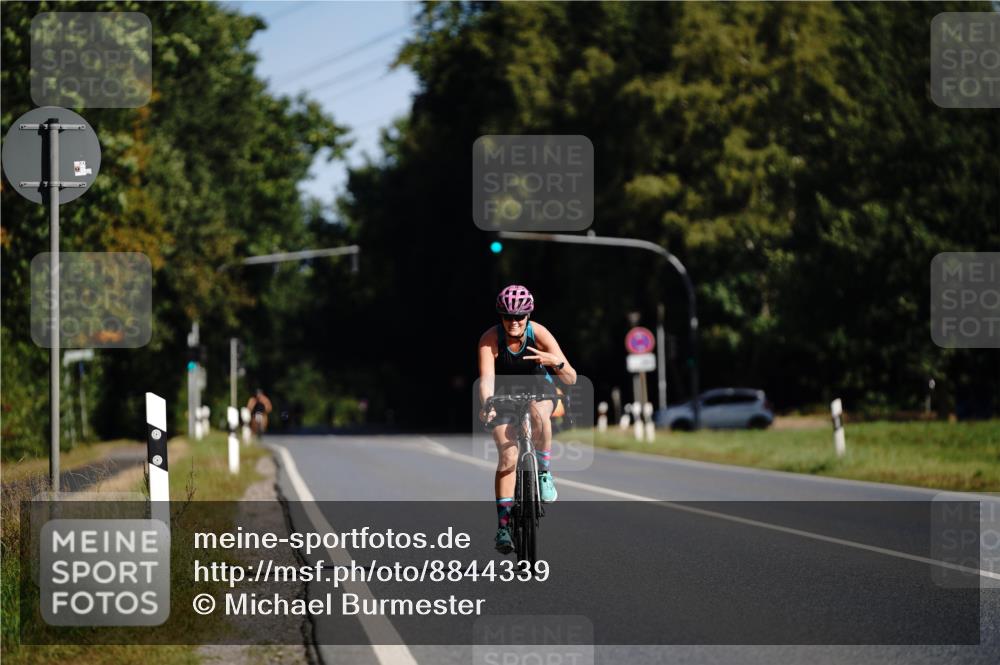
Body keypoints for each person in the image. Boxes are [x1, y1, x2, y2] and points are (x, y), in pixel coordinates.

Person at [478, 285, 577, 553]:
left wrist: (554, 362)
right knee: (508, 457)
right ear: (501, 316)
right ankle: (503, 526)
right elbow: (486, 381)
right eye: (508, 317)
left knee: (538, 412)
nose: (514, 322)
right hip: (504, 397)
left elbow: (571, 378)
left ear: (528, 316)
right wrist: (488, 404)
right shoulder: (490, 339)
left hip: (539, 390)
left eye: (520, 317)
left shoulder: (540, 334)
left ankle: (544, 473)